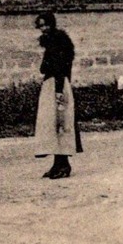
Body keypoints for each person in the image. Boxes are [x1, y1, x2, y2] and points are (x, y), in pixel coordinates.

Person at [33, 12, 83, 179]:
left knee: (61, 122)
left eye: (46, 25)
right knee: (52, 124)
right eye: (41, 26)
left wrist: (60, 91)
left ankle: (65, 166)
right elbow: (44, 68)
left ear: (52, 24)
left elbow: (61, 67)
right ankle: (56, 164)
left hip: (59, 85)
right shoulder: (49, 43)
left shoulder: (60, 42)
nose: (43, 29)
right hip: (50, 85)